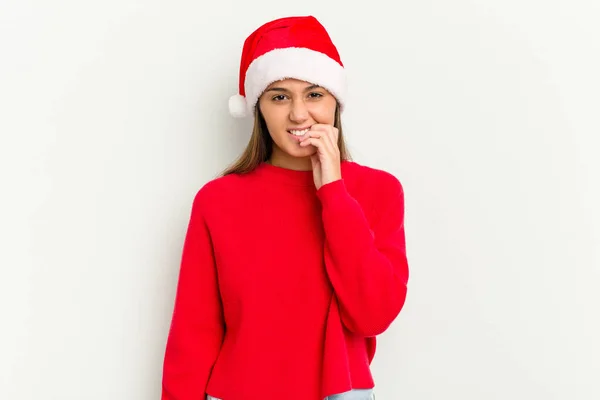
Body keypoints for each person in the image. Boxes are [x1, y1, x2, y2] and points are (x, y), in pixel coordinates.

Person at [161, 15, 409, 400]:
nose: (298, 114)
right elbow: (193, 335)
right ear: (258, 108)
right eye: (279, 97)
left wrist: (333, 192)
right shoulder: (218, 201)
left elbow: (372, 313)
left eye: (314, 94)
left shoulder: (377, 191)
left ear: (335, 103)